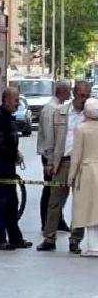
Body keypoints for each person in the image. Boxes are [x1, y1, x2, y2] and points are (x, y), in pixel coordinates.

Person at [39, 80, 90, 251]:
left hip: (82, 163)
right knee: (55, 201)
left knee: (80, 203)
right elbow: (51, 138)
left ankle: (75, 239)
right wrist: (50, 161)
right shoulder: (61, 112)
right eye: (82, 95)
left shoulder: (90, 115)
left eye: (87, 96)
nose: (84, 99)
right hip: (63, 162)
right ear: (74, 93)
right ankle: (49, 238)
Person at [0, 88, 32, 251]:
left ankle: (15, 237)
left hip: (8, 167)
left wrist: (16, 153)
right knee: (0, 204)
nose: (17, 103)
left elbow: (10, 141)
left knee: (12, 203)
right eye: (15, 99)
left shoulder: (9, 117)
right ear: (6, 100)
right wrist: (13, 154)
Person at [36, 80, 73, 232]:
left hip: (55, 156)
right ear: (61, 91)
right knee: (50, 190)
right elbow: (49, 136)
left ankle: (57, 220)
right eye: (68, 91)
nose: (70, 94)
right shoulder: (51, 109)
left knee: (56, 191)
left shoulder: (57, 108)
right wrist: (50, 160)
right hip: (50, 156)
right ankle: (47, 221)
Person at [68, 97, 98, 256]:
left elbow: (76, 156)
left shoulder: (81, 129)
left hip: (87, 171)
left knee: (88, 209)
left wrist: (71, 177)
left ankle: (93, 246)